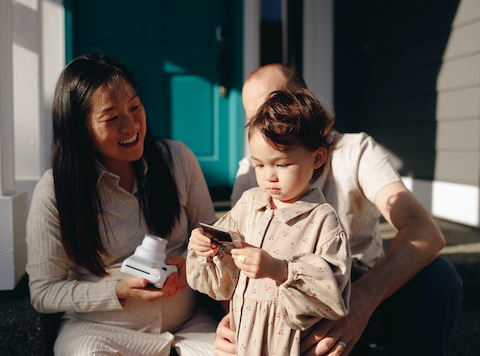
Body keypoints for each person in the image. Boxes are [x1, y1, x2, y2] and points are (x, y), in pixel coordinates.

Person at [217, 64, 464, 355]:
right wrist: (234, 317)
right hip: (284, 298)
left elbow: (424, 232)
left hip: (361, 284)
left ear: (304, 101)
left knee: (439, 277)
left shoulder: (355, 151)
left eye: (278, 104)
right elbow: (233, 257)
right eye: (257, 118)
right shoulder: (252, 174)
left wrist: (360, 302)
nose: (269, 123)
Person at [26, 54, 219, 356]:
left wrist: (191, 265)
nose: (131, 125)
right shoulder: (55, 192)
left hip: (188, 324)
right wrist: (117, 289)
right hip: (100, 332)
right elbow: (43, 292)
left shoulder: (178, 159)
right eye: (112, 118)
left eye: (135, 107)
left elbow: (213, 240)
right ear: (79, 128)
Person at [187, 89, 352, 355]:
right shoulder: (250, 204)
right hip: (245, 335)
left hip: (288, 342)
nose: (269, 177)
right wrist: (206, 246)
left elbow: (331, 289)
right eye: (260, 165)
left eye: (282, 165)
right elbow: (224, 272)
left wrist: (280, 270)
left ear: (317, 158)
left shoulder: (322, 220)